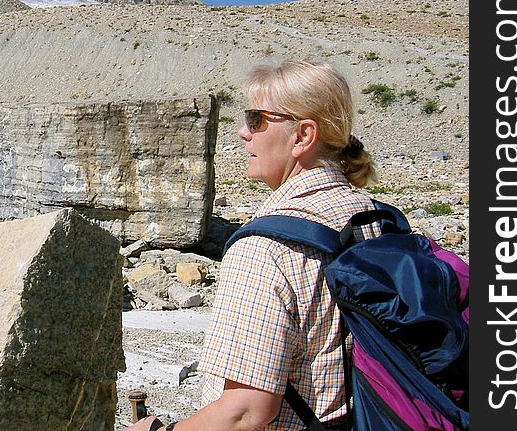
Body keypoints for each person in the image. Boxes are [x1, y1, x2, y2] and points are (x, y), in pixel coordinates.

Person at [126, 59, 380, 431]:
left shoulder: (265, 249)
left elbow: (245, 412)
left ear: (303, 136)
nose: (244, 132)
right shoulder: (374, 216)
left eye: (257, 119)